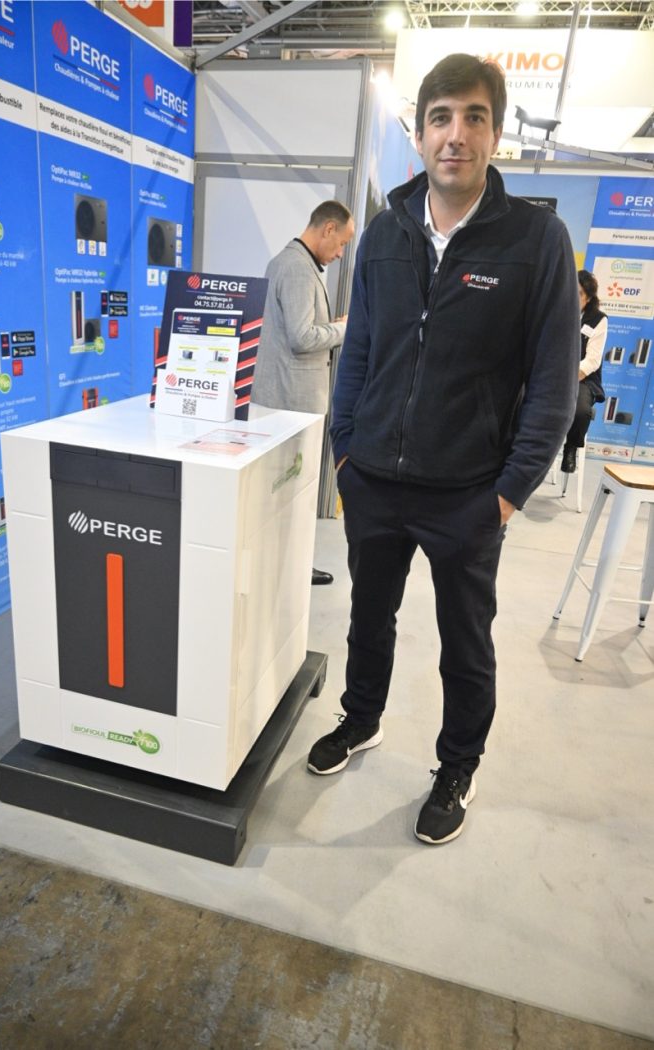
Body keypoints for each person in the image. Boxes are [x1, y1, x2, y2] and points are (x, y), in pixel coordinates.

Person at [306, 53, 581, 844]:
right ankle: (361, 720)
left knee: (466, 645)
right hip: (377, 485)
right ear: (420, 133)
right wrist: (346, 454)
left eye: (473, 117)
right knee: (369, 617)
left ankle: (457, 766)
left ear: (494, 133)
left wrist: (506, 493)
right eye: (440, 118)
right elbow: (358, 352)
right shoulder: (387, 234)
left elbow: (553, 383)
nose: (455, 135)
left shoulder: (536, 241)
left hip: (468, 494)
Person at [251, 200, 355, 586]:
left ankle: (289, 564)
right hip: (290, 405)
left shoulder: (297, 264)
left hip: (290, 402)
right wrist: (346, 329)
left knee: (290, 491)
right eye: (341, 243)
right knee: (290, 491)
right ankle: (289, 567)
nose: (341, 253)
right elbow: (302, 337)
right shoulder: (296, 268)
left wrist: (332, 324)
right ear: (328, 228)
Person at [560, 270, 607, 472]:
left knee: (580, 411)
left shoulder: (598, 319)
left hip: (582, 378)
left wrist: (567, 378)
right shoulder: (556, 310)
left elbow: (592, 361)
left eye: (579, 293)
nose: (573, 296)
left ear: (588, 297)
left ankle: (571, 447)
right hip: (551, 374)